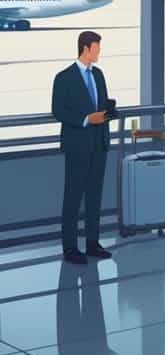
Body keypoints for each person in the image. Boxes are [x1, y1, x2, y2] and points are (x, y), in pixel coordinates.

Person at [51, 31, 113, 264]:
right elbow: (58, 110)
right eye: (97, 48)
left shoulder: (98, 75)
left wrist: (108, 112)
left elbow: (102, 102)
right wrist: (87, 119)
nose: (99, 53)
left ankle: (92, 243)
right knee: (73, 197)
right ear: (86, 48)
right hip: (77, 145)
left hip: (99, 144)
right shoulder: (64, 77)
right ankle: (70, 248)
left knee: (95, 196)